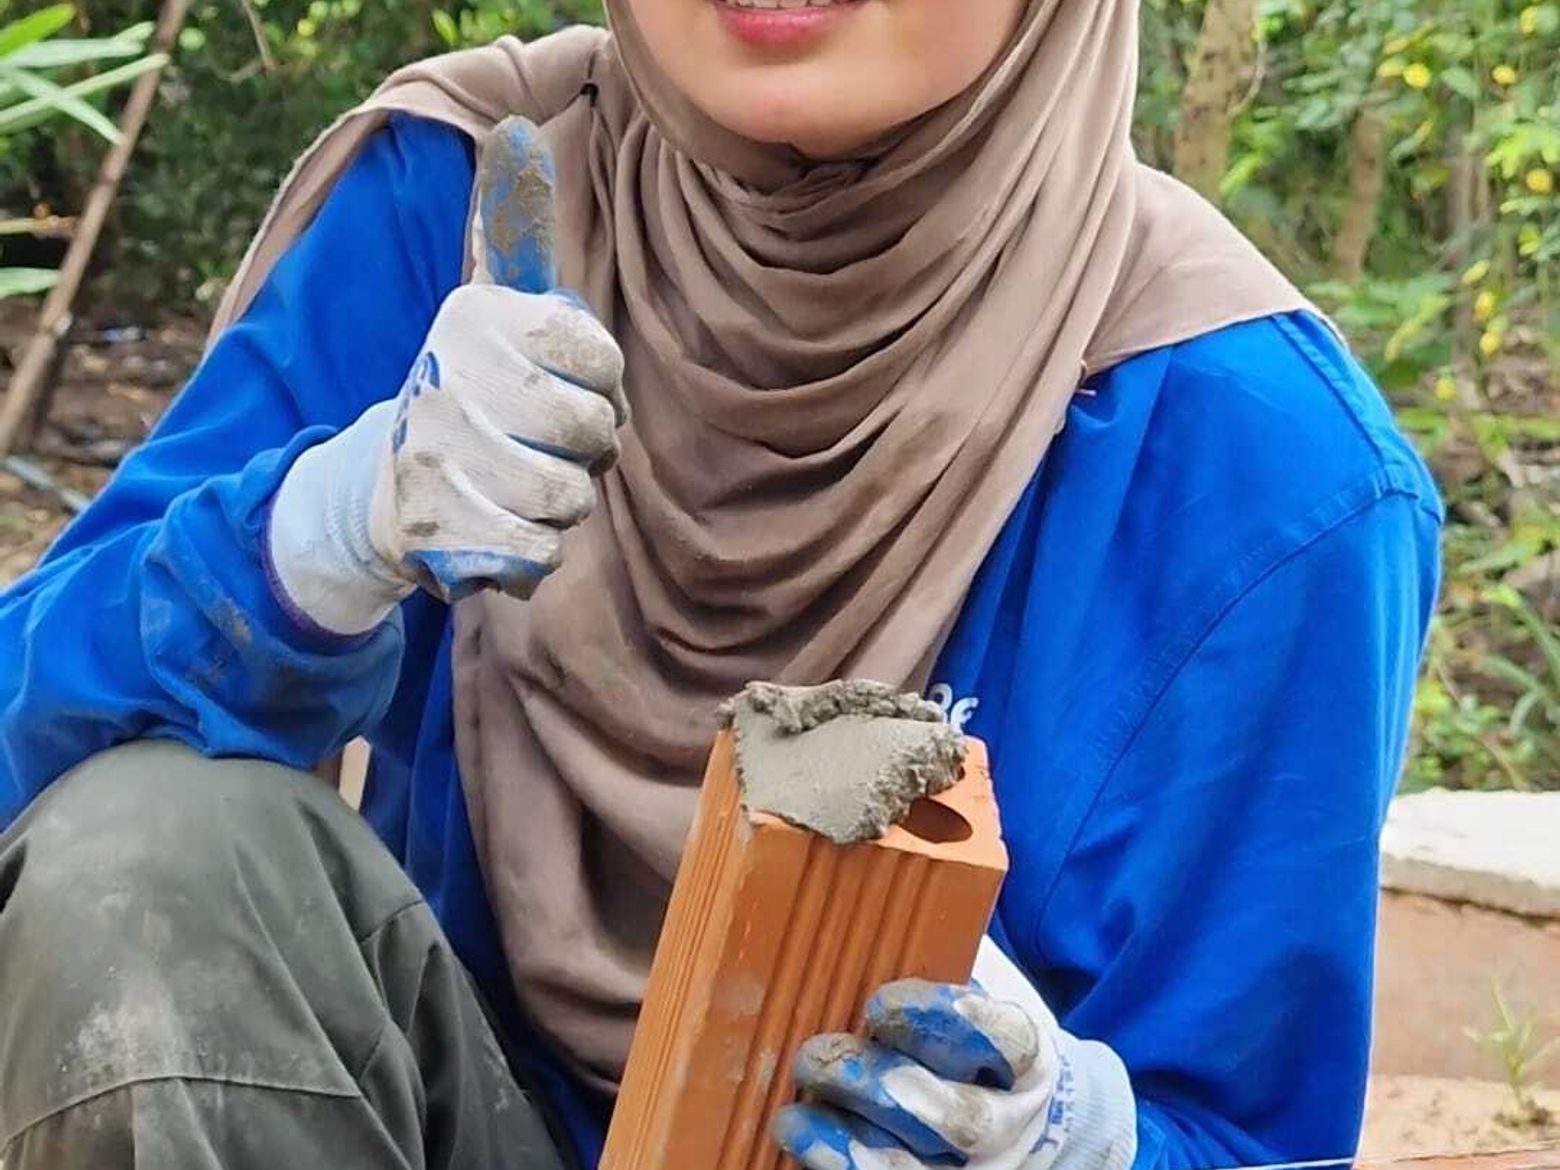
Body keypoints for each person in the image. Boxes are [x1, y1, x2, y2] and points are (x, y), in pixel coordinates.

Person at [0, 0, 1442, 1167]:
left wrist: (1085, 1143)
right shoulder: (457, 205)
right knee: (147, 856)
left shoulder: (1261, 470)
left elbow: (1252, 1130)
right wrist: (317, 535)